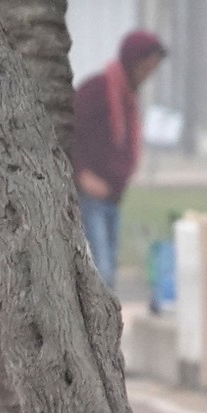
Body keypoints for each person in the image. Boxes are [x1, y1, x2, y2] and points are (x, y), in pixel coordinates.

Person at [72, 29, 166, 291]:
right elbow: (68, 130)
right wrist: (81, 174)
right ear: (133, 62)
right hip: (91, 198)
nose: (148, 75)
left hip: (113, 198)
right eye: (146, 67)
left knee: (109, 271)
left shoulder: (127, 97)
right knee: (100, 275)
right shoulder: (98, 89)